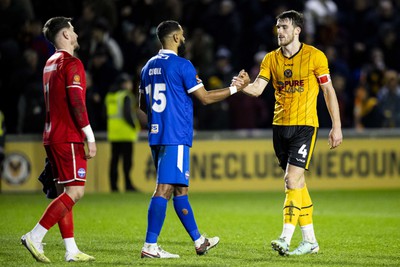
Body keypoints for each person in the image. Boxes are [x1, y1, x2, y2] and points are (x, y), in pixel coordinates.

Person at [233, 10, 342, 256]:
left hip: (305, 126)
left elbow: (328, 91)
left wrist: (336, 126)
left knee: (291, 181)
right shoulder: (271, 59)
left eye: (284, 27)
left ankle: (285, 237)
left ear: (297, 30)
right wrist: (242, 87)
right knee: (298, 185)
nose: (279, 31)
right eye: (278, 27)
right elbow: (258, 89)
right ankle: (311, 241)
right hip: (279, 126)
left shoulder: (315, 56)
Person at [138, 20, 249, 258]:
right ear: (176, 38)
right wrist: (235, 89)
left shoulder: (147, 67)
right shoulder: (182, 65)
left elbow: (142, 105)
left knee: (180, 189)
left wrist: (162, 116)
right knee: (164, 189)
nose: (185, 39)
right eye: (183, 35)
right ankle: (150, 245)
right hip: (175, 135)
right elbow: (206, 98)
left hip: (157, 134)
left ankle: (199, 241)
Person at [21, 17, 97, 263]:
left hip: (52, 135)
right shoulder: (71, 63)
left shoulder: (49, 63)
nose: (75, 33)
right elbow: (76, 102)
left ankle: (71, 249)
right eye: (72, 29)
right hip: (67, 136)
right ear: (65, 35)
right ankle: (35, 235)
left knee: (64, 191)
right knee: (75, 192)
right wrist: (90, 136)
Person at [105, 73, 141, 192]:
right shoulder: (126, 96)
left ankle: (113, 186)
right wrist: (134, 126)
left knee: (114, 161)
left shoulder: (110, 96)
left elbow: (104, 114)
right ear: (124, 84)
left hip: (113, 133)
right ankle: (128, 184)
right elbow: (127, 114)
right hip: (125, 133)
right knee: (127, 162)